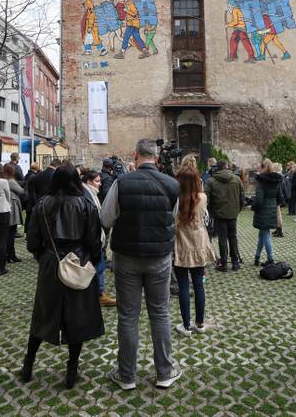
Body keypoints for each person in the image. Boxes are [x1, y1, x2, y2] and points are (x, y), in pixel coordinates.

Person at [100, 138, 181, 390]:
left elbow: (106, 218)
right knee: (160, 313)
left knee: (128, 316)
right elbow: (174, 219)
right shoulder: (172, 184)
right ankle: (164, 372)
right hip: (159, 258)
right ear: (156, 158)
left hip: (126, 257)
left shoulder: (121, 183)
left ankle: (126, 375)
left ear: (135, 156)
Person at [21, 165, 104, 389]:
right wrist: (91, 260)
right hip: (78, 262)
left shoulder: (42, 205)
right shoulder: (85, 204)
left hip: (51, 262)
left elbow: (32, 241)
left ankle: (28, 363)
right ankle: (72, 369)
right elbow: (94, 240)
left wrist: (43, 257)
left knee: (43, 314)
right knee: (77, 317)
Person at [173, 165, 216, 336]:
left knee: (183, 285)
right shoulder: (203, 198)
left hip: (181, 244)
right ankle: (199, 323)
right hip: (198, 243)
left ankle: (186, 326)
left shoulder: (176, 199)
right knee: (199, 285)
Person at [81, 169, 117, 307]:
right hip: (93, 239)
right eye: (97, 181)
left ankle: (99, 293)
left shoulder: (91, 194)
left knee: (99, 267)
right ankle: (99, 295)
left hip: (96, 237)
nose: (100, 184)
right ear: (89, 182)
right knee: (97, 267)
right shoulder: (86, 195)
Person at [205, 160, 245, 271]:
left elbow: (206, 199)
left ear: (217, 167)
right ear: (227, 167)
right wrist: (238, 209)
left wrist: (212, 211)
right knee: (233, 237)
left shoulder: (211, 181)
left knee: (222, 238)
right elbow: (242, 196)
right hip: (232, 213)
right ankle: (235, 263)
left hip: (218, 214)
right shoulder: (236, 179)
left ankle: (224, 263)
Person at [252, 159, 283, 265]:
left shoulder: (261, 181)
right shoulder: (277, 180)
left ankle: (270, 259)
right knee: (262, 234)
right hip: (272, 209)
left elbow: (259, 199)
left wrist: (253, 206)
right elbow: (280, 197)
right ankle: (257, 257)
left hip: (262, 210)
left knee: (266, 235)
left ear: (262, 167)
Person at [3, 163, 26, 264]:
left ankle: (8, 255)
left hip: (7, 207)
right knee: (11, 233)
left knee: (8, 233)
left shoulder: (3, 180)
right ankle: (11, 255)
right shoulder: (11, 181)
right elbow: (21, 191)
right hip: (12, 208)